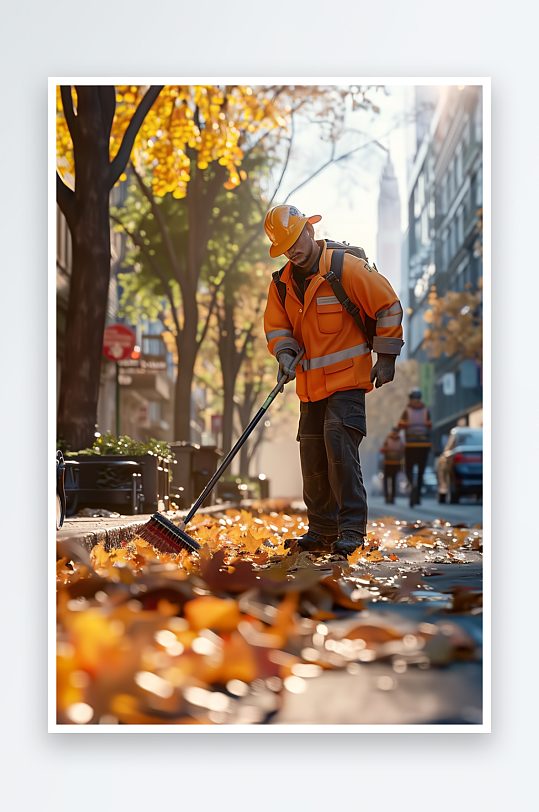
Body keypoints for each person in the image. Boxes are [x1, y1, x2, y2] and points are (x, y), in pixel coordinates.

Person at [263, 204, 404, 557]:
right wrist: (284, 354)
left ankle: (351, 531)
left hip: (348, 382)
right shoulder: (281, 285)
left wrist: (386, 358)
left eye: (295, 241)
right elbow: (277, 328)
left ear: (310, 231)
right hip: (310, 387)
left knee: (338, 447)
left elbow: (388, 305)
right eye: (285, 246)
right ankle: (322, 531)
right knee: (312, 458)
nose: (292, 251)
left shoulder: (345, 269)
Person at [398, 388, 432, 506]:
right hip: (424, 445)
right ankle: (417, 496)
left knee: (408, 469)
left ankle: (412, 485)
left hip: (410, 445)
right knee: (421, 472)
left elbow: (400, 426)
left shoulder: (406, 411)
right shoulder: (426, 410)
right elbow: (430, 426)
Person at [380, 427, 404, 504]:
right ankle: (392, 498)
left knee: (386, 481)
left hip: (388, 463)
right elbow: (403, 451)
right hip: (396, 463)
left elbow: (383, 449)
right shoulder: (400, 440)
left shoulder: (388, 438)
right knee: (394, 481)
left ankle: (387, 497)